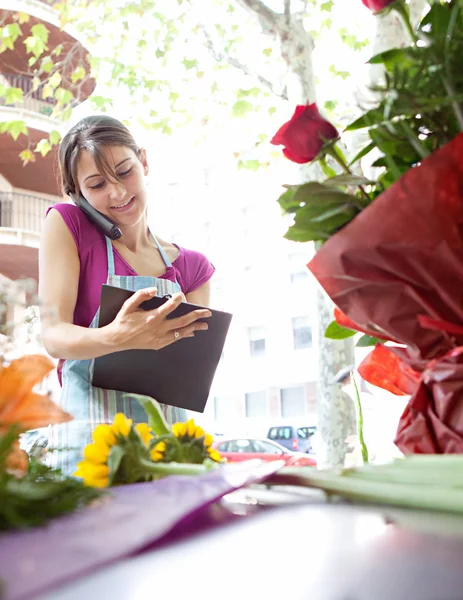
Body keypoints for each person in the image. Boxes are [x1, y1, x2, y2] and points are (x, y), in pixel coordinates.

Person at [39, 115, 215, 474]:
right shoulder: (67, 226)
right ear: (78, 193)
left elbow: (188, 372)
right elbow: (53, 334)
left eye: (124, 171)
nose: (117, 192)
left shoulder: (193, 268)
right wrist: (116, 337)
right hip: (90, 444)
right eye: (97, 184)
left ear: (144, 161)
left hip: (168, 445)